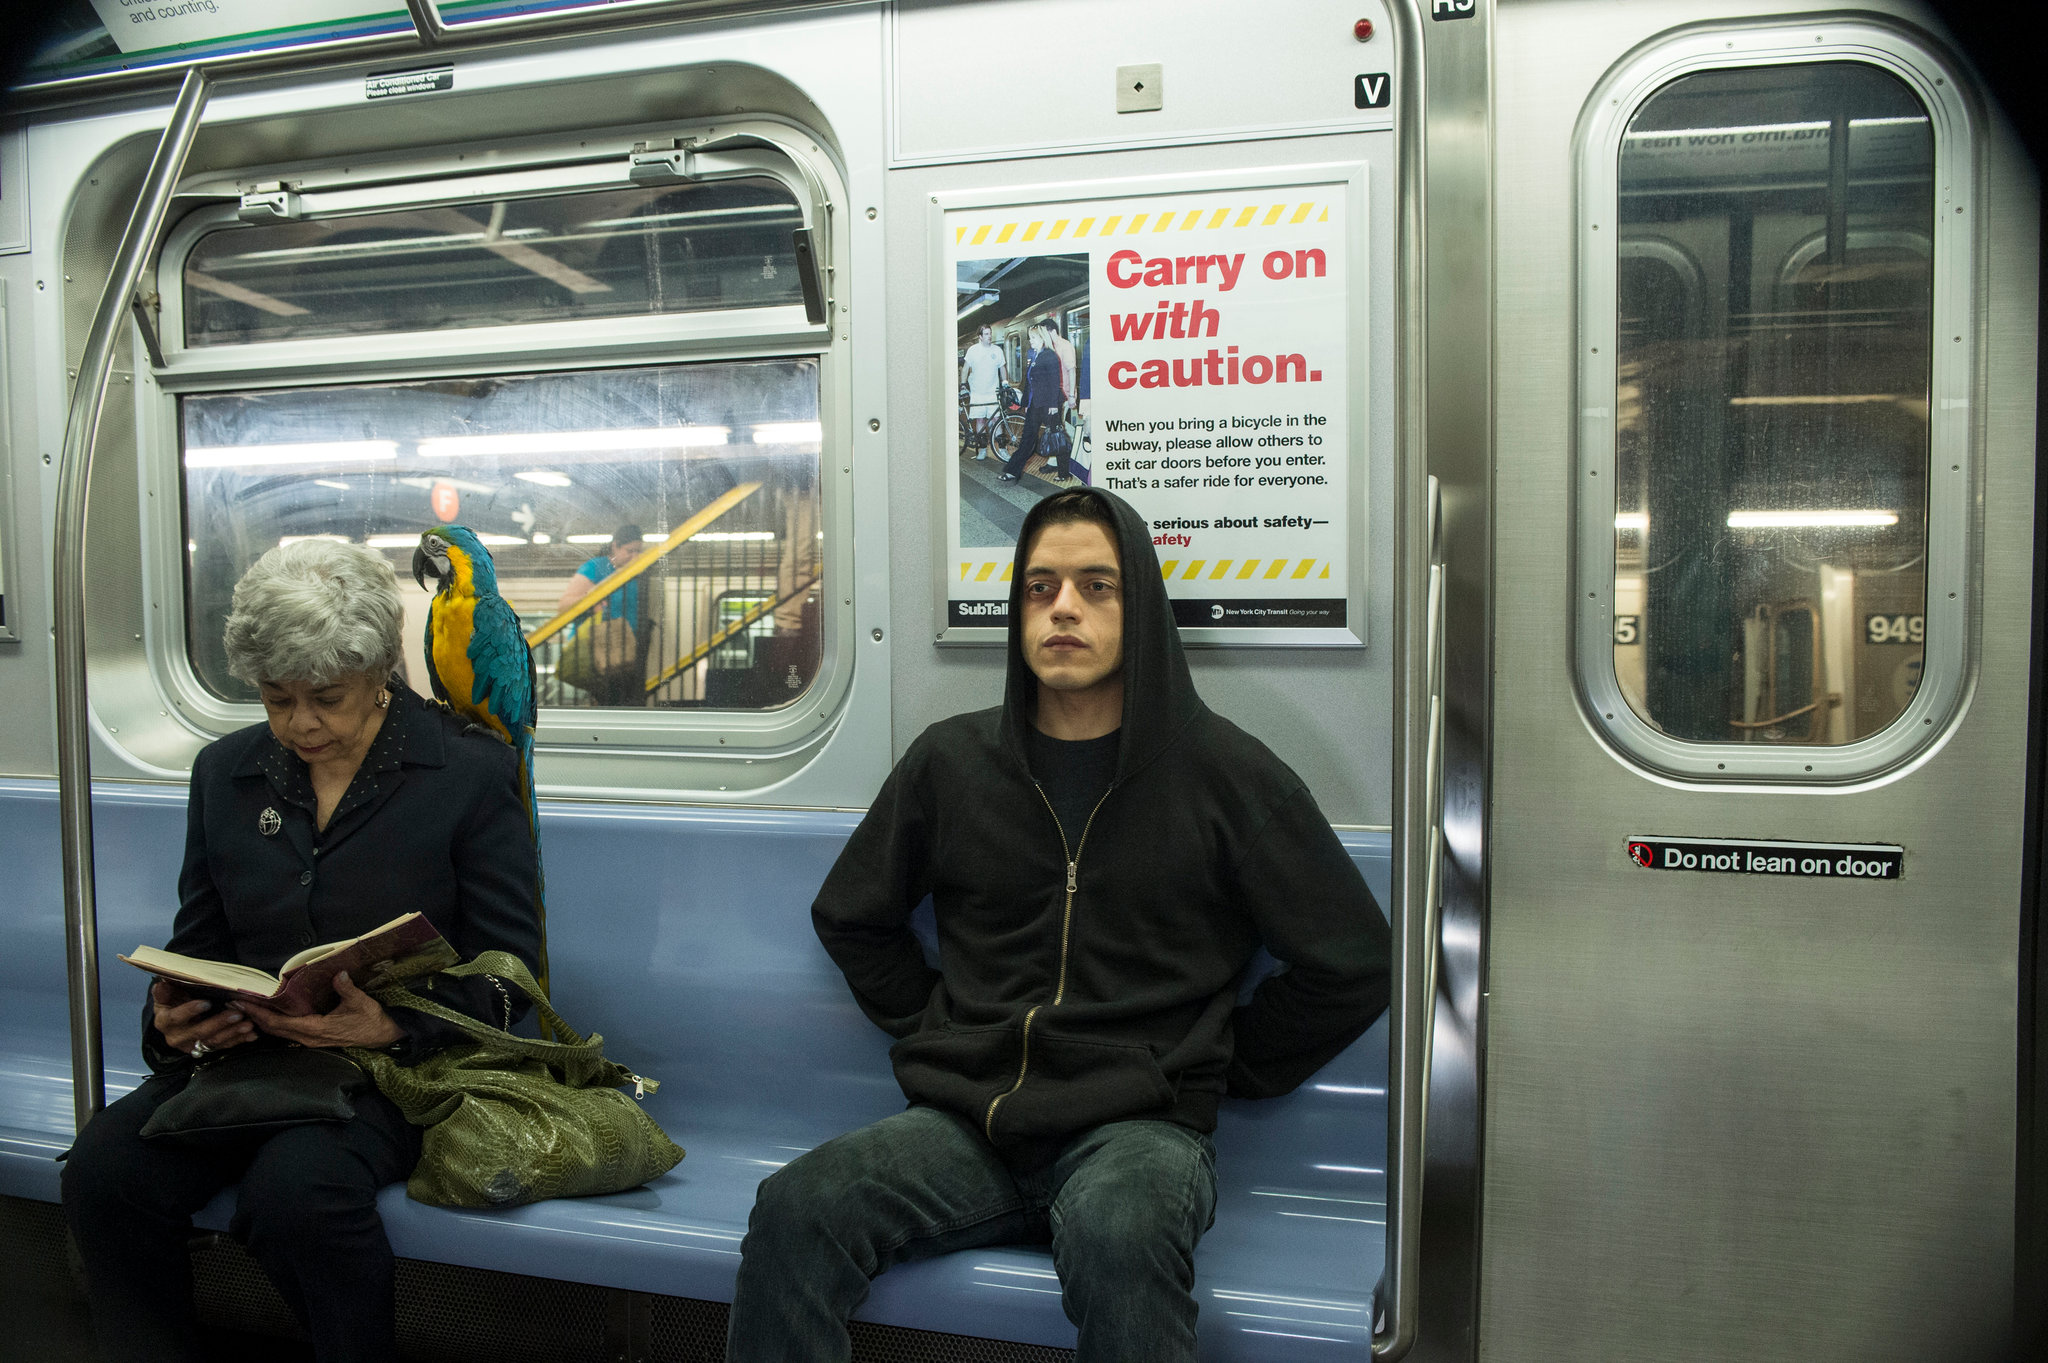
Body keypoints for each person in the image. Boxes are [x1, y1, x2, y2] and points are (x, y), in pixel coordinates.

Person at [727, 488, 1390, 1363]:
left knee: (1122, 1235)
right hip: (969, 1121)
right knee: (796, 1208)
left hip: (1139, 1131)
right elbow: (852, 916)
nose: (1063, 607)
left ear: (1138, 605)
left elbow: (1355, 960)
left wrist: (1216, 1059)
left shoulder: (1226, 775)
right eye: (1040, 587)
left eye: (1095, 586)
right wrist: (941, 1026)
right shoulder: (950, 764)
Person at [61, 538, 544, 1363]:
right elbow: (200, 944)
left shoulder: (468, 770)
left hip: (397, 1072)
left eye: (326, 697)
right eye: (275, 698)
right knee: (103, 1171)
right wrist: (176, 1024)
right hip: (249, 1060)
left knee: (298, 1193)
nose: (299, 724)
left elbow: (514, 979)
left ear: (380, 671)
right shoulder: (226, 771)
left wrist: (391, 1025)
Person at [557, 524, 646, 706]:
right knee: (610, 701)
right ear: (615, 546)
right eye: (630, 551)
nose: (635, 557)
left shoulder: (639, 572)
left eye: (638, 551)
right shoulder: (596, 567)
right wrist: (591, 601)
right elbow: (564, 606)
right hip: (600, 651)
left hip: (627, 654)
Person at [1000, 325, 1074, 485]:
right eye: (1030, 338)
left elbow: (1055, 382)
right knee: (1027, 438)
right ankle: (1012, 471)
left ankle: (1064, 472)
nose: (1030, 341)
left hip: (1049, 403)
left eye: (1033, 338)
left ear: (1042, 338)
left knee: (1057, 437)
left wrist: (1053, 405)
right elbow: (1029, 381)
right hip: (1035, 403)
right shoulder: (1033, 354)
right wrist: (1026, 403)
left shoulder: (1050, 355)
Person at [960, 322, 1007, 459]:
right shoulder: (973, 350)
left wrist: (1005, 383)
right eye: (986, 334)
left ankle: (1002, 449)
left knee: (997, 420)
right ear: (980, 336)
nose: (989, 336)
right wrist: (963, 385)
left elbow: (1002, 367)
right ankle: (982, 450)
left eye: (990, 333)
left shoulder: (997, 350)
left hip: (993, 392)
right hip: (977, 393)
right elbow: (965, 369)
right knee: (980, 420)